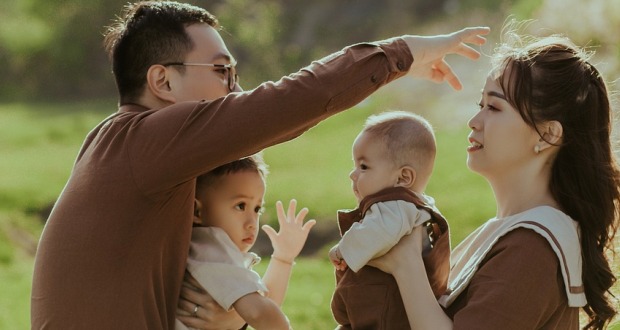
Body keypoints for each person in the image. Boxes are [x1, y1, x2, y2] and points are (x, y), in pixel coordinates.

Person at [30, 0, 489, 328]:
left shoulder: (117, 143)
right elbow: (288, 102)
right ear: (162, 80)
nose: (234, 90)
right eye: (221, 71)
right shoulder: (150, 140)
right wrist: (401, 54)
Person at [370, 27, 620, 329]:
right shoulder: (506, 234)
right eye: (480, 105)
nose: (474, 122)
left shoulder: (532, 248)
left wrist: (405, 263)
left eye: (494, 107)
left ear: (548, 134)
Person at [328, 111, 450, 329]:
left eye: (364, 167)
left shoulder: (397, 206)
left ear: (403, 177)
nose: (353, 174)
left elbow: (378, 231)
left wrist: (342, 250)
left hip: (386, 316)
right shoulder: (407, 206)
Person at [175, 154, 315, 330]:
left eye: (257, 209)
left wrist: (283, 258)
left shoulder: (204, 250)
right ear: (196, 211)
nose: (251, 223)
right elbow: (259, 313)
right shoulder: (210, 247)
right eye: (240, 206)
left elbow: (264, 303)